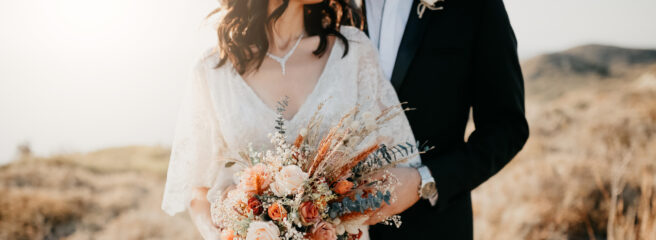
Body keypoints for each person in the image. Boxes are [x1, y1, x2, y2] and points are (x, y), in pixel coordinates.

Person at [160, 0, 432, 239]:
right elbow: (198, 188)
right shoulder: (213, 70)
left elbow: (401, 162)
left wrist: (336, 211)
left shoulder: (354, 53)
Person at [363, 0, 530, 239]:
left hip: (432, 228)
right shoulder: (329, 8)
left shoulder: (476, 6)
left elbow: (507, 127)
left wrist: (426, 180)